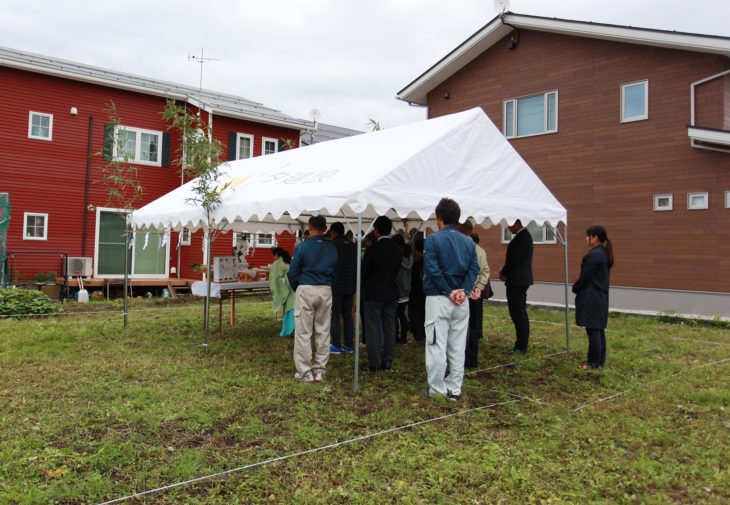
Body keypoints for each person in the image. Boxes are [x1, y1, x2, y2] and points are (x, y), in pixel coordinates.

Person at [422, 198, 480, 400]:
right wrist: (462, 291)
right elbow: (475, 269)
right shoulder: (469, 242)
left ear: (439, 219)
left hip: (439, 299)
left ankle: (437, 389)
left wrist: (449, 291)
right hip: (461, 301)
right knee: (457, 345)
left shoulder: (433, 240)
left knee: (437, 344)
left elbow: (432, 269)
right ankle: (455, 388)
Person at [287, 216, 338, 382]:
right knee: (323, 331)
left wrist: (299, 287)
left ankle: (305, 371)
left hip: (306, 288)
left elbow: (292, 272)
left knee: (303, 332)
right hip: (325, 289)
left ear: (309, 227)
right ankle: (320, 370)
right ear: (325, 229)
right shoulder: (332, 248)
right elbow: (336, 272)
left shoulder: (302, 247)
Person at [361, 216, 403, 371]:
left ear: (376, 230)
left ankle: (373, 363)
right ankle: (387, 360)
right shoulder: (397, 251)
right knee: (390, 327)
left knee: (372, 328)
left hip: (373, 294)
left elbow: (364, 273)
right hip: (391, 293)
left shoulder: (372, 250)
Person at [572, 225, 614, 369]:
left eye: (587, 236)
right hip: (600, 297)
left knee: (593, 331)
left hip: (592, 297)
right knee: (598, 330)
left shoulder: (594, 255)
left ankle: (593, 363)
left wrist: (576, 287)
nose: (586, 239)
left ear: (595, 238)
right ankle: (599, 361)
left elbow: (585, 276)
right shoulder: (603, 254)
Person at [457, 221, 490, 369]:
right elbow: (486, 272)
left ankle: (461, 360)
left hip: (461, 295)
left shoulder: (459, 249)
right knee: (474, 328)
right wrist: (479, 287)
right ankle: (472, 360)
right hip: (474, 296)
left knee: (459, 329)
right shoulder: (480, 251)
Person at [499, 219, 533, 355]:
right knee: (520, 312)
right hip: (521, 279)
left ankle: (521, 346)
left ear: (517, 223)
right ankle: (521, 343)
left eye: (510, 224)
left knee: (518, 313)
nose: (508, 227)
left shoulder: (521, 238)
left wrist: (503, 272)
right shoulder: (525, 236)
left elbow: (513, 260)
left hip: (517, 280)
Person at [328, 222, 357, 354]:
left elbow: (330, 266)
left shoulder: (333, 245)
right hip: (350, 286)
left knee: (334, 315)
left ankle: (336, 344)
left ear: (333, 232)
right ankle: (349, 344)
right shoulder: (353, 246)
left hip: (336, 285)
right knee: (347, 315)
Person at [391, 233, 413, 344]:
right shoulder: (408, 257)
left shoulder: (397, 257)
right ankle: (403, 338)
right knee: (402, 315)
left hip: (397, 289)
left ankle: (395, 337)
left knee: (395, 315)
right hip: (406, 289)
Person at [269, 247, 295, 337]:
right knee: (293, 307)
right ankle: (293, 329)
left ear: (276, 255)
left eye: (273, 256)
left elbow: (274, 279)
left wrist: (275, 290)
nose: (273, 258)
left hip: (286, 288)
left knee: (289, 308)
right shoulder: (288, 261)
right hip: (293, 287)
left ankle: (289, 330)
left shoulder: (277, 263)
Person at [408, 236, 426, 342]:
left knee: (415, 314)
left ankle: (419, 335)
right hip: (428, 293)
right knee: (424, 313)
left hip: (417, 292)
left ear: (418, 251)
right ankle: (423, 333)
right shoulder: (432, 261)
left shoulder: (418, 263)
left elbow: (414, 278)